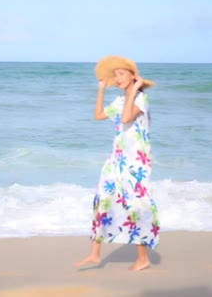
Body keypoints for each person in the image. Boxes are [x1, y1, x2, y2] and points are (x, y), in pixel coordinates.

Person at [75, 56, 160, 272]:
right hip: (117, 158)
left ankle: (143, 258)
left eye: (122, 73)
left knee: (135, 203)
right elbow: (98, 115)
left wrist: (135, 89)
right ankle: (95, 253)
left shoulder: (140, 99)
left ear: (134, 75)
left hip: (136, 160)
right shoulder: (121, 100)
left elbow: (125, 119)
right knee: (103, 197)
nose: (117, 78)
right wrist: (101, 89)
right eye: (115, 75)